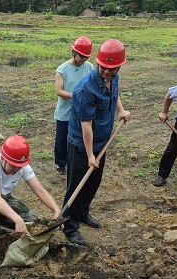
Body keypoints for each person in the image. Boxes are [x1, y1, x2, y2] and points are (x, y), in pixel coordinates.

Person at [63, 39, 131, 247]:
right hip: (82, 144)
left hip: (102, 140)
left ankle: (83, 214)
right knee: (76, 184)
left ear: (119, 66)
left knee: (93, 182)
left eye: (111, 69)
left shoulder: (114, 76)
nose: (107, 72)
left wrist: (120, 110)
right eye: (103, 67)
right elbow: (86, 126)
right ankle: (70, 226)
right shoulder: (85, 89)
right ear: (98, 62)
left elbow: (114, 94)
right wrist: (90, 155)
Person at [0, 135, 61, 253]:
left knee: (31, 221)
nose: (17, 169)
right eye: (13, 165)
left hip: (2, 198)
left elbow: (39, 190)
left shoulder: (22, 166)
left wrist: (56, 210)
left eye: (20, 166)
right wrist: (17, 219)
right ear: (3, 159)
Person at [53, 36, 95, 175]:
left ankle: (75, 161)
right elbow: (59, 91)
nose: (84, 59)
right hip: (66, 111)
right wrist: (76, 96)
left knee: (78, 138)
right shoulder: (62, 70)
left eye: (86, 57)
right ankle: (60, 163)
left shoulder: (89, 67)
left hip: (82, 110)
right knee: (62, 138)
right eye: (81, 56)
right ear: (73, 52)